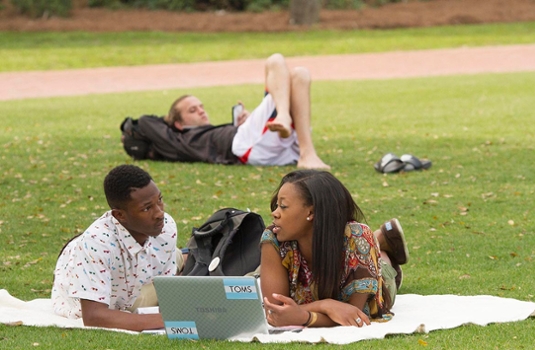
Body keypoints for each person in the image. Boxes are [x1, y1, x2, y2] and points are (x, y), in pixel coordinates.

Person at [121, 53, 330, 170]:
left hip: (258, 143)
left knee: (300, 75)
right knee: (276, 61)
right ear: (178, 124)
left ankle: (292, 133)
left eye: (201, 106)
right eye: (192, 110)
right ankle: (304, 147)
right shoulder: (178, 140)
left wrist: (240, 124)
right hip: (244, 146)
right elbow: (146, 122)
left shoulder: (201, 137)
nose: (201, 111)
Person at [260, 170, 409, 328]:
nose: (274, 213)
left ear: (311, 212)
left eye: (283, 206)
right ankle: (381, 238)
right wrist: (326, 305)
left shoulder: (358, 238)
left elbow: (355, 315)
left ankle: (383, 253)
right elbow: (275, 312)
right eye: (277, 205)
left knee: (384, 268)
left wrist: (304, 316)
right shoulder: (273, 238)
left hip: (379, 278)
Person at [51, 164, 184, 332]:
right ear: (119, 215)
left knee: (183, 261)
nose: (159, 213)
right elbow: (93, 316)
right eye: (147, 208)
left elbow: (167, 292)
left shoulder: (167, 227)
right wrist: (170, 319)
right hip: (92, 277)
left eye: (160, 200)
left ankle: (187, 256)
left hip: (139, 280)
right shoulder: (96, 243)